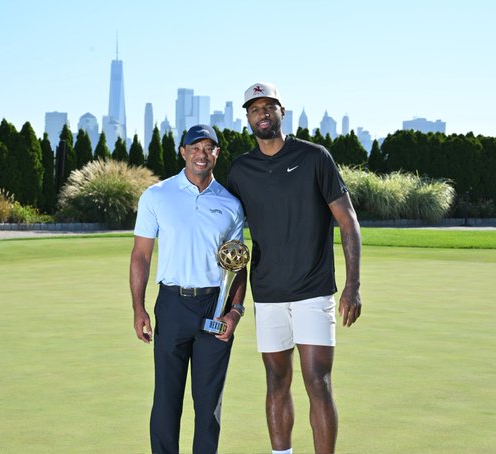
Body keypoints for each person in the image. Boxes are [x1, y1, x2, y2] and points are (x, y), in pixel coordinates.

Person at [227, 82, 362, 454]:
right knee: (275, 381)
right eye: (255, 109)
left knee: (318, 381)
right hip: (267, 293)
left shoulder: (315, 157)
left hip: (313, 291)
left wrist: (353, 285)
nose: (263, 113)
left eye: (269, 106)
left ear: (282, 112)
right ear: (248, 118)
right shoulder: (240, 170)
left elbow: (348, 221)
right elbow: (229, 232)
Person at [130, 124, 247, 454]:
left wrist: (235, 313)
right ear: (182, 151)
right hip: (171, 305)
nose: (202, 154)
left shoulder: (230, 204)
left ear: (217, 154)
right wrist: (139, 308)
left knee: (208, 406)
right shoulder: (157, 195)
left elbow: (238, 264)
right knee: (166, 401)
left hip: (214, 307)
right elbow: (141, 255)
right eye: (195, 147)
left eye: (209, 148)